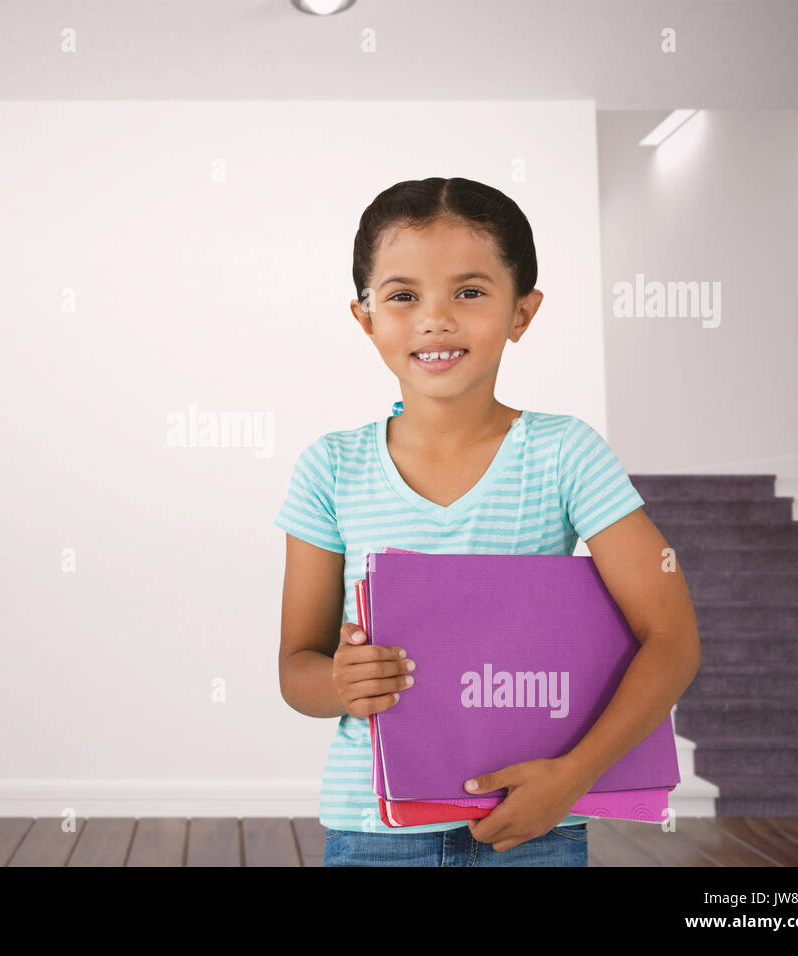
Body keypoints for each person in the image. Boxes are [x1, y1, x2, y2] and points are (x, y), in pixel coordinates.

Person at [275, 176, 701, 867]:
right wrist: (339, 685)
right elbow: (298, 669)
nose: (435, 319)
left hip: (535, 818)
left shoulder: (564, 453)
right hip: (371, 830)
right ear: (365, 317)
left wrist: (571, 778)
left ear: (521, 313)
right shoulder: (330, 467)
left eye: (470, 292)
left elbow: (673, 638)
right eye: (403, 295)